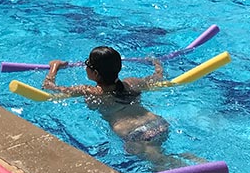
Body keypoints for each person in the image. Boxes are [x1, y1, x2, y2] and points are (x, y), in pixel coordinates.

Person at [43, 47, 175, 165]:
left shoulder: (91, 91)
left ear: (95, 73)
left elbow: (49, 87)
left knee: (162, 165)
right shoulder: (132, 82)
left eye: (87, 63)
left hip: (135, 134)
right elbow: (158, 77)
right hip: (158, 123)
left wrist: (55, 66)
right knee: (168, 158)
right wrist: (156, 63)